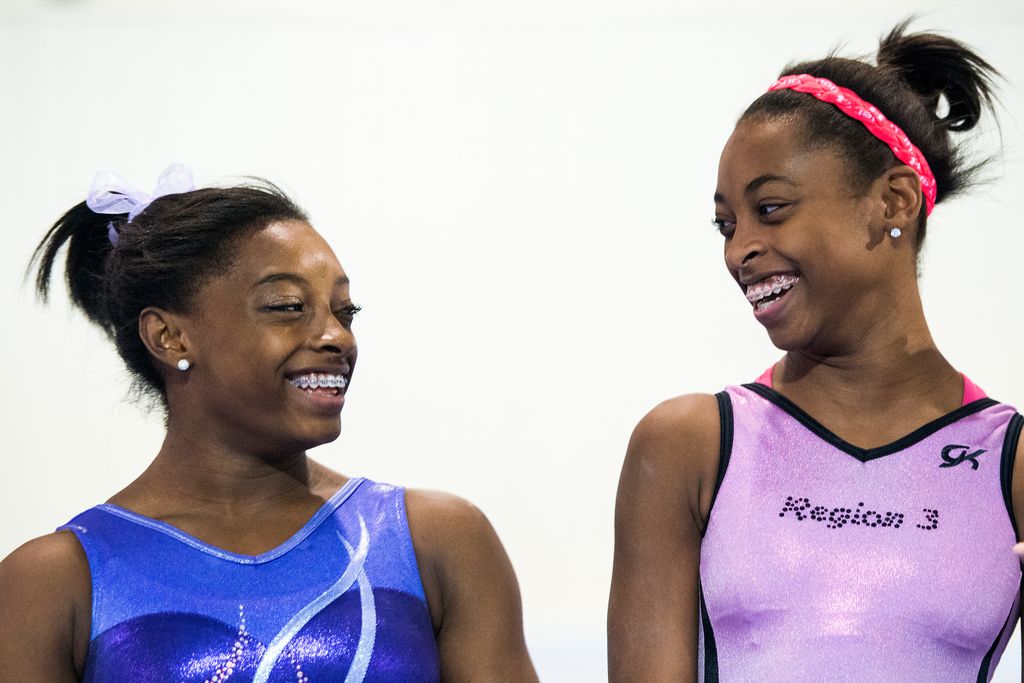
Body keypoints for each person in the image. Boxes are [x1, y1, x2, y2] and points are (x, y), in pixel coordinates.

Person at [0, 165, 539, 682]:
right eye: (287, 306)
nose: (337, 337)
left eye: (344, 312)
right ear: (169, 337)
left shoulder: (435, 542)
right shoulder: (53, 584)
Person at [608, 22, 1021, 682]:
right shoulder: (689, 446)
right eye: (726, 222)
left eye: (770, 208)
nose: (737, 248)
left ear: (893, 202)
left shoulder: (1012, 459)